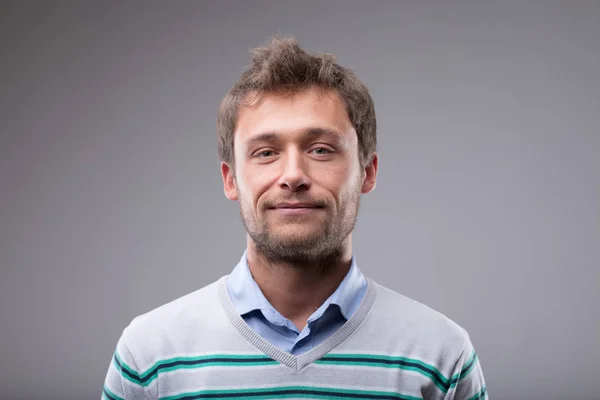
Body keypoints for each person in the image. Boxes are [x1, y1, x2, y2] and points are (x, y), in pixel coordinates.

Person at [101, 35, 488, 400]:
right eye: (266, 152)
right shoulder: (149, 357)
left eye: (320, 149)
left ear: (367, 172)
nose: (292, 175)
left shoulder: (442, 357)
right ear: (231, 179)